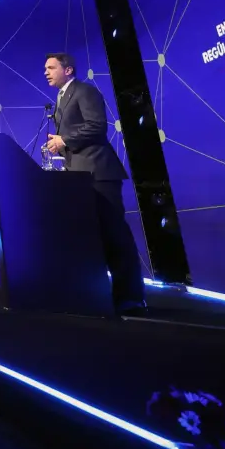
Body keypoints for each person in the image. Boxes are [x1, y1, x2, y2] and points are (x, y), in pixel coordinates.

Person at [43, 52, 146, 315]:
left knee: (114, 235)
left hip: (99, 174)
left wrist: (64, 140)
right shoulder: (61, 97)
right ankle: (101, 297)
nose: (46, 72)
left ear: (68, 70)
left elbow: (97, 126)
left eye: (51, 67)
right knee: (92, 238)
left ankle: (131, 299)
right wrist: (60, 145)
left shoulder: (84, 91)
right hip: (79, 177)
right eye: (46, 68)